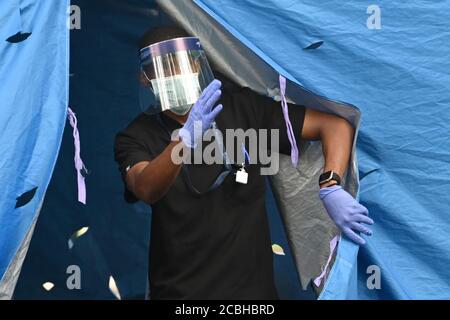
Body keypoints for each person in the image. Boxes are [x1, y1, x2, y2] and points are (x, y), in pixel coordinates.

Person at [114, 26, 373, 300]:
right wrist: (185, 141)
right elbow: (145, 188)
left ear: (196, 63)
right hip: (179, 294)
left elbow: (334, 126)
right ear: (145, 78)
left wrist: (330, 185)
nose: (173, 74)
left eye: (180, 64)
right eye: (161, 69)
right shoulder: (136, 136)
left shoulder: (242, 109)